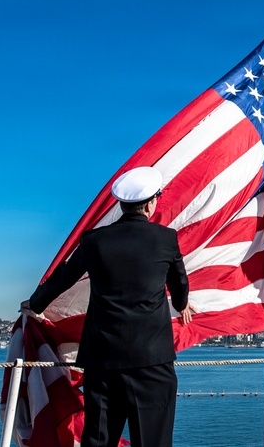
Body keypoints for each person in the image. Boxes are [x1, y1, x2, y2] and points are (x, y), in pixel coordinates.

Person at [23, 166, 191, 447]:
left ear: (122, 205)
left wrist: (35, 303)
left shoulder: (94, 240)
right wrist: (183, 304)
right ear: (150, 204)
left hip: (103, 360)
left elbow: (63, 278)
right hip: (152, 361)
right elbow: (180, 286)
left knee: (98, 440)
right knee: (153, 442)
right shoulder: (166, 239)